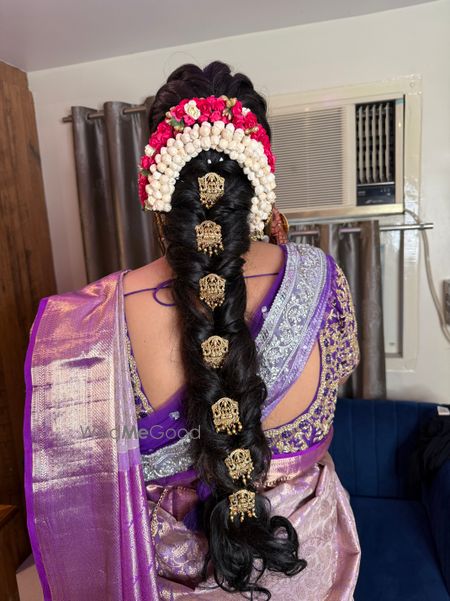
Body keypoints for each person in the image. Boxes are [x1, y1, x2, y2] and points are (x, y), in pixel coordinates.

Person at [24, 61, 361, 600]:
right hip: (304, 564)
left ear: (158, 192)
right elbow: (335, 377)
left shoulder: (85, 324)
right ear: (259, 182)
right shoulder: (320, 278)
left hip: (170, 579)